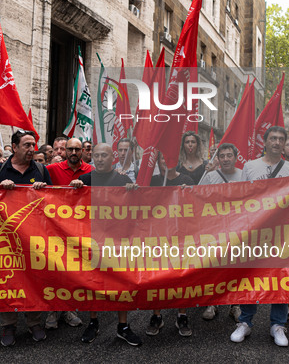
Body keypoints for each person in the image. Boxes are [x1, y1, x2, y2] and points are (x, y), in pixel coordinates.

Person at [231, 126, 289, 347]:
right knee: (250, 275)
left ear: (284, 144)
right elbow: (242, 197)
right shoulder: (250, 166)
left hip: (282, 233)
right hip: (255, 231)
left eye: (281, 139)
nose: (277, 142)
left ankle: (278, 324)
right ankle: (245, 321)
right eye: (273, 138)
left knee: (280, 276)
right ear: (265, 141)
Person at [69, 143, 142, 346]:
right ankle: (93, 322)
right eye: (97, 155)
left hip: (117, 240)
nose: (99, 159)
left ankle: (123, 326)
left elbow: (136, 208)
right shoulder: (84, 180)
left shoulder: (122, 179)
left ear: (113, 157)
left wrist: (132, 190)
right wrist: (73, 190)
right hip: (90, 239)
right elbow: (68, 208)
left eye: (104, 155)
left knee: (122, 282)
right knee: (92, 282)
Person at [0, 130, 52, 347]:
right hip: (7, 239)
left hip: (34, 237)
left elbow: (54, 202)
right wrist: (0, 189)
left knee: (34, 280)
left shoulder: (41, 169)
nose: (31, 149)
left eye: (33, 144)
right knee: (9, 280)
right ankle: (8, 324)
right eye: (26, 145)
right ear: (14, 147)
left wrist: (43, 191)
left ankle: (34, 322)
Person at [44, 138, 92, 329]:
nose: (73, 152)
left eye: (77, 149)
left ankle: (68, 310)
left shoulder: (91, 171)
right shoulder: (51, 170)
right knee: (54, 270)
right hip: (54, 228)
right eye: (69, 149)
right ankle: (52, 311)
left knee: (72, 271)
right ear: (64, 151)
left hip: (79, 230)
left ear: (82, 151)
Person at [146, 153, 194, 338]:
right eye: (163, 159)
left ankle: (182, 315)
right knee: (157, 276)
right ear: (158, 162)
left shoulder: (187, 180)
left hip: (181, 236)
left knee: (181, 276)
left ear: (178, 161)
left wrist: (189, 192)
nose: (166, 162)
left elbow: (198, 204)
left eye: (170, 158)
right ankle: (157, 316)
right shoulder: (152, 181)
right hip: (157, 236)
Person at [197, 143, 242, 321]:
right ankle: (213, 302)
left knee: (235, 266)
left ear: (235, 157)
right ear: (218, 158)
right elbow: (197, 196)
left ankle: (235, 304)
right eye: (222, 156)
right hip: (214, 228)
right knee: (215, 265)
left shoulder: (243, 175)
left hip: (238, 228)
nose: (225, 159)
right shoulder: (210, 176)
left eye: (229, 155)